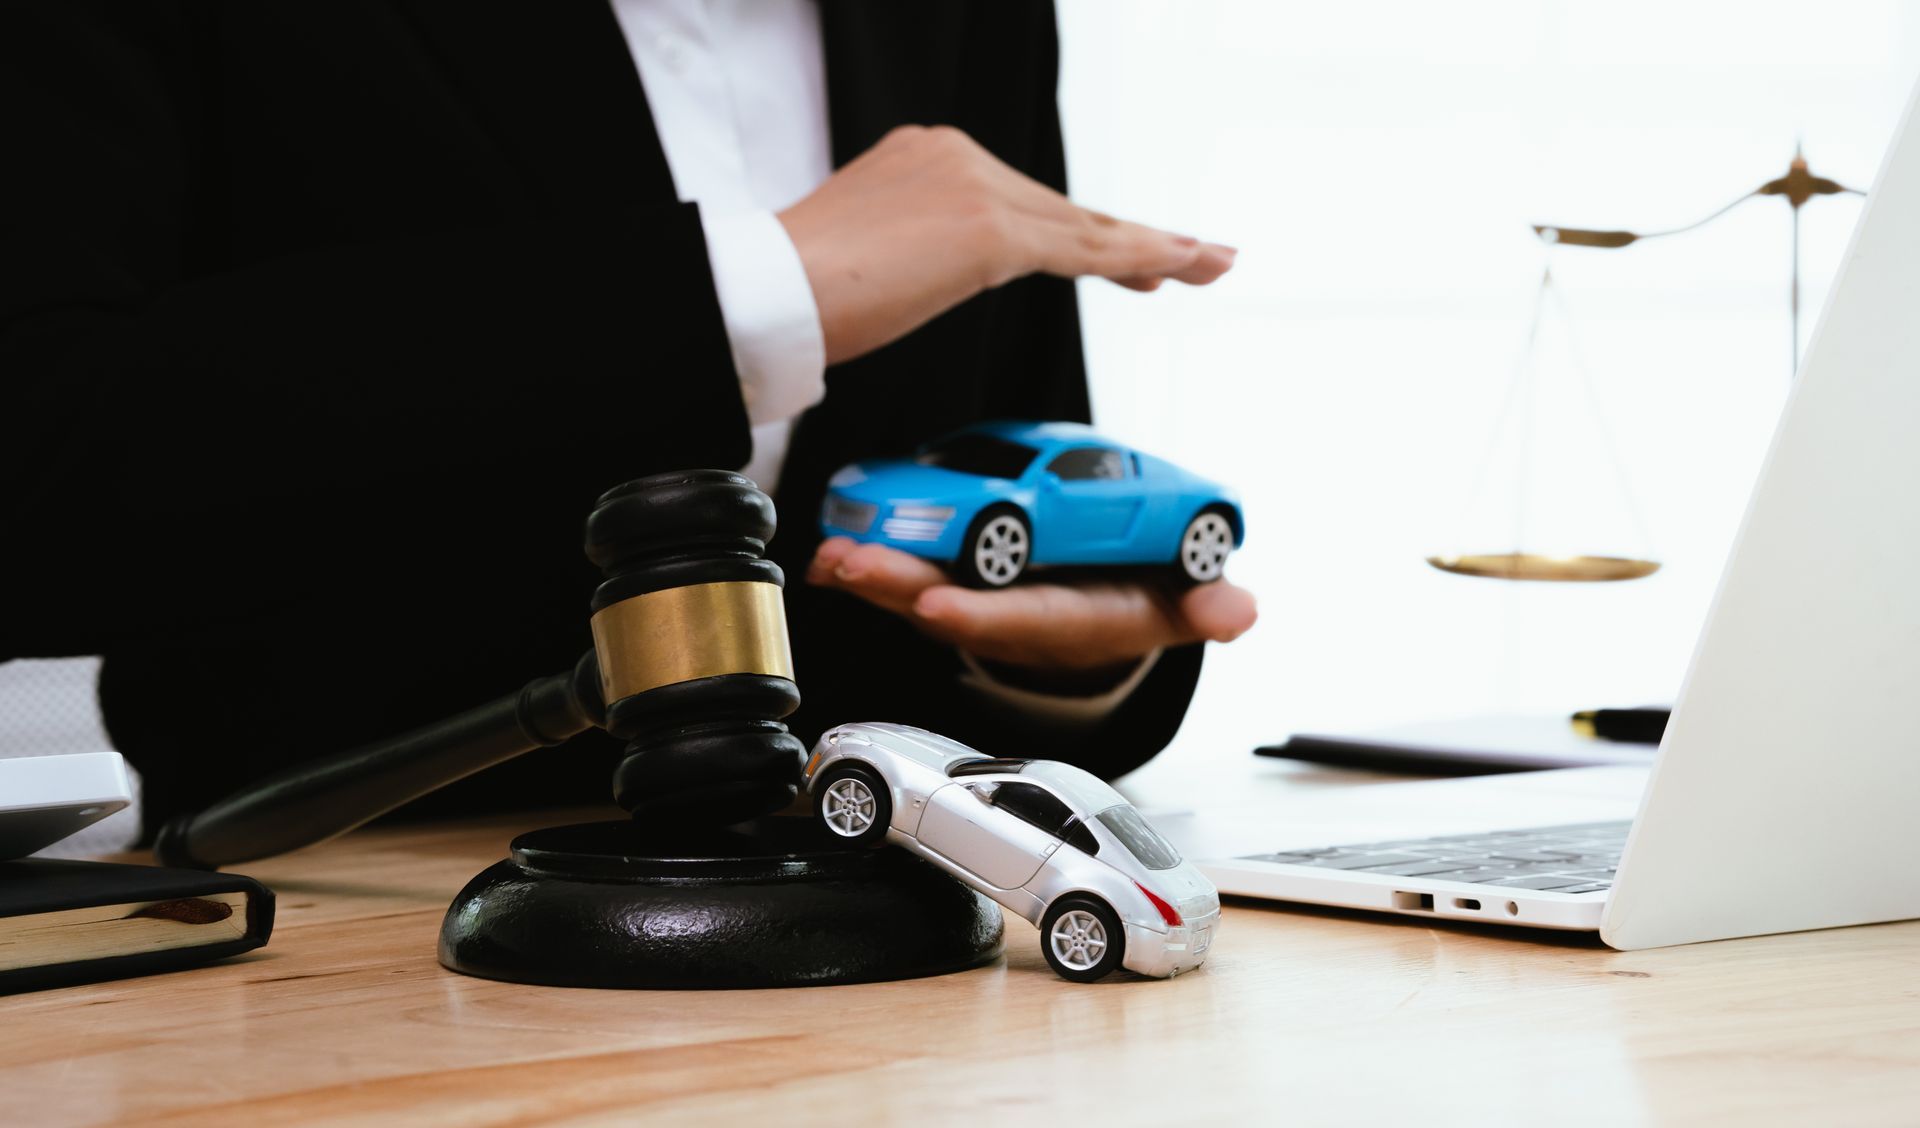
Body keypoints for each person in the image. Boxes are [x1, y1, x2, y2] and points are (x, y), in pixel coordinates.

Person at [0, 0, 1255, 839]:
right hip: (330, 944)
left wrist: (1059, 667)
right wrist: (750, 292)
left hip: (894, 952)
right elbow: (37, 469)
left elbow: (995, 467)